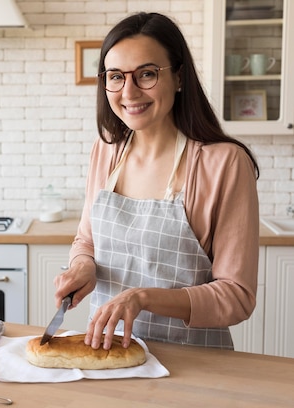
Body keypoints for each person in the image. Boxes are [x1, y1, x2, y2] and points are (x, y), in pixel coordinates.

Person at [54, 12, 260, 351]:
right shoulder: (105, 152)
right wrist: (82, 267)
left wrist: (142, 298)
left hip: (196, 366)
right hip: (109, 355)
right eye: (116, 76)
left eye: (147, 74)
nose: (129, 92)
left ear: (179, 77)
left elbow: (237, 296)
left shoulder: (223, 163)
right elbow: (86, 240)